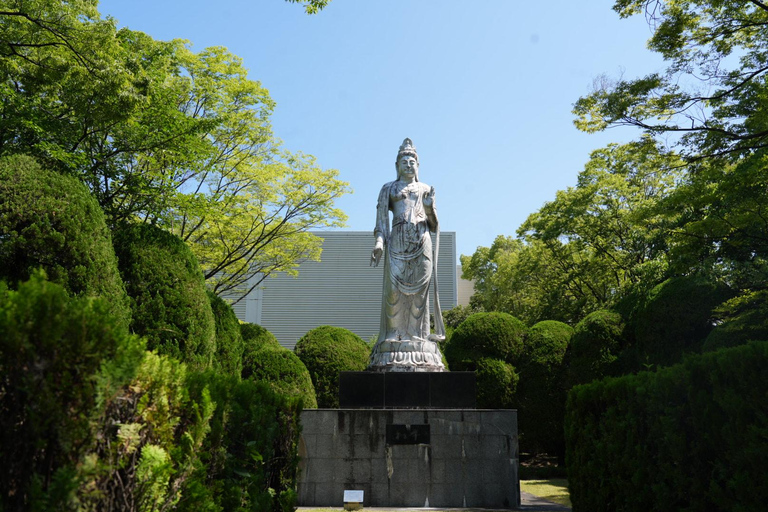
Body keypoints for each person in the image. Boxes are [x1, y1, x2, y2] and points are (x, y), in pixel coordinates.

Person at [368, 138, 445, 371]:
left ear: (418, 166)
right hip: (397, 245)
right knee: (394, 294)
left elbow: (434, 225)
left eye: (412, 161)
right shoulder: (389, 189)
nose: (409, 164)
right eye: (404, 161)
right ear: (397, 165)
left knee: (419, 297)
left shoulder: (425, 189)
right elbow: (381, 221)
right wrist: (379, 243)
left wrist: (430, 207)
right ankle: (393, 336)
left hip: (421, 244)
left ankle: (417, 337)